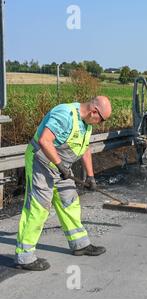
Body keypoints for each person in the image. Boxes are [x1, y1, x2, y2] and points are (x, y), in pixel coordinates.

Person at [15, 96, 112, 271]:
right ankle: (25, 256)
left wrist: (90, 176)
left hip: (61, 166)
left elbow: (85, 149)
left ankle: (80, 244)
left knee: (70, 202)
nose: (100, 123)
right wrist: (60, 165)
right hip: (41, 162)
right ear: (94, 111)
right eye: (101, 119)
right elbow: (45, 141)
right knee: (39, 207)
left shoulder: (87, 124)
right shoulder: (64, 114)